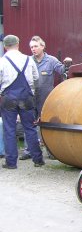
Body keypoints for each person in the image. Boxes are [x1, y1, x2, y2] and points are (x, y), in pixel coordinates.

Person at [19, 36, 72, 160]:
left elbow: (63, 71)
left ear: (43, 46)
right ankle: (29, 150)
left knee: (47, 124)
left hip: (46, 99)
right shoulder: (27, 61)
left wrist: (67, 64)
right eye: (31, 47)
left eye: (36, 46)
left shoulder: (51, 60)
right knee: (29, 124)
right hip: (30, 97)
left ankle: (50, 150)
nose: (33, 49)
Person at [0, 35, 44, 169]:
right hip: (26, 97)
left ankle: (11, 162)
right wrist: (31, 91)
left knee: (9, 129)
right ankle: (38, 159)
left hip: (9, 98)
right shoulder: (28, 60)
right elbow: (37, 79)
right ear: (18, 44)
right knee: (30, 128)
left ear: (5, 46)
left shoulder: (2, 61)